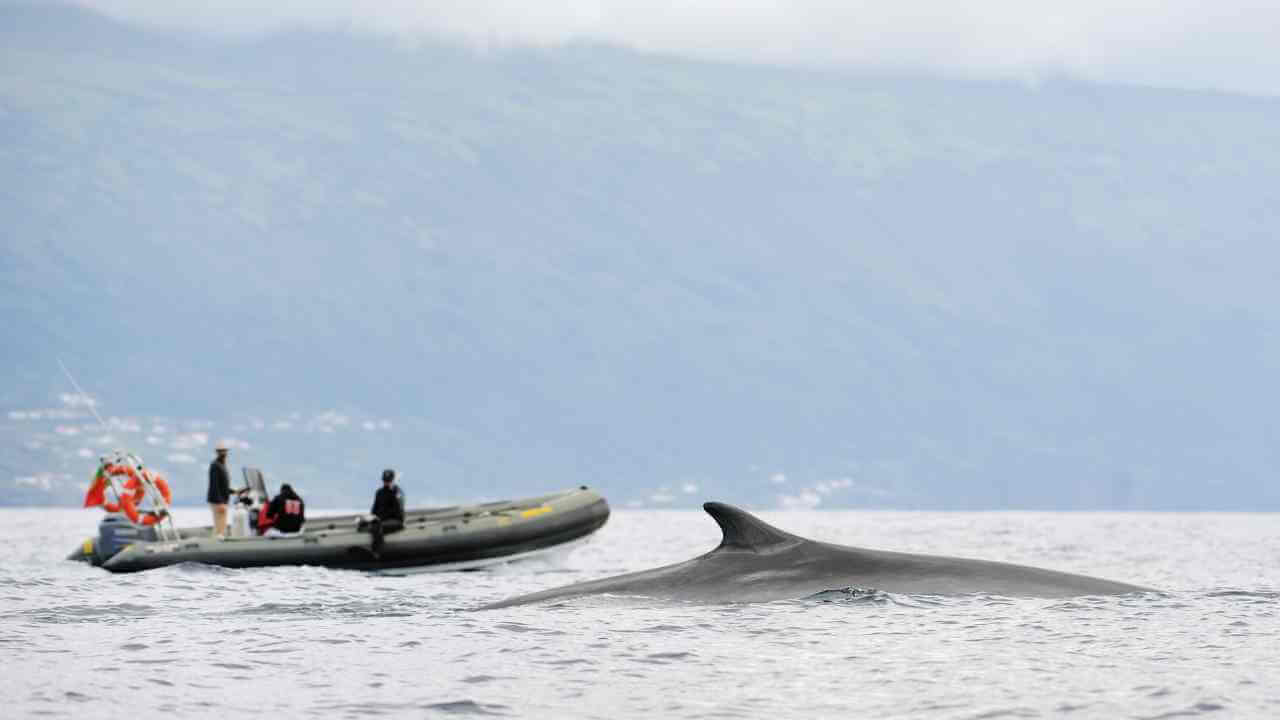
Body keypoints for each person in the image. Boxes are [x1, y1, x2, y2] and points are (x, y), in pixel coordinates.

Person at [368, 468, 405, 553]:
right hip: (382, 520)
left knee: (378, 527)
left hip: (395, 521)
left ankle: (377, 552)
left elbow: (398, 511)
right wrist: (372, 518)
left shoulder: (397, 492)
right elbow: (374, 509)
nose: (386, 482)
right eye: (385, 480)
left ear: (393, 480)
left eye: (388, 480)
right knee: (369, 525)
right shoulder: (379, 492)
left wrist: (381, 519)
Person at [207, 444, 232, 537]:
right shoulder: (215, 465)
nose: (223, 452)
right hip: (217, 501)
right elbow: (215, 485)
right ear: (217, 452)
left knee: (222, 524)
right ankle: (217, 543)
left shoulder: (222, 465)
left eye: (225, 450)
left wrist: (233, 491)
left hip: (223, 500)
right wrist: (220, 502)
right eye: (221, 451)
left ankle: (218, 539)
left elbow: (223, 485)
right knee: (219, 525)